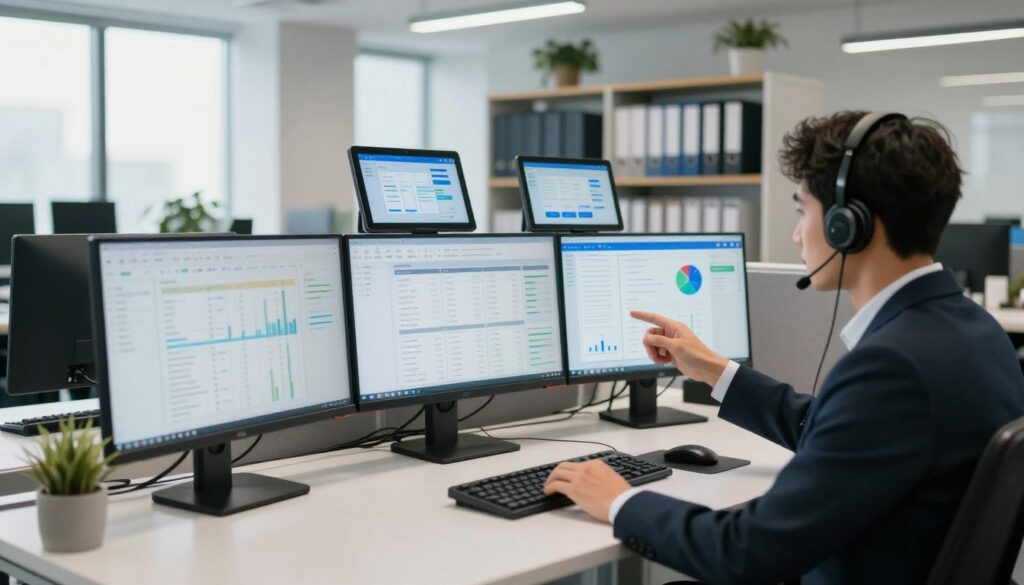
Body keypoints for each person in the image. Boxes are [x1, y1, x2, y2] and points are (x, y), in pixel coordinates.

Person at [543, 111, 1024, 584]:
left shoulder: (891, 366)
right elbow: (837, 433)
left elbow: (747, 553)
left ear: (848, 224)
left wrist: (620, 501)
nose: (796, 233)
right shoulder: (976, 332)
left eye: (802, 211)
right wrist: (714, 369)